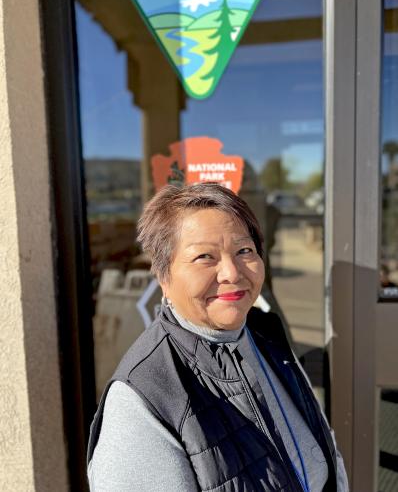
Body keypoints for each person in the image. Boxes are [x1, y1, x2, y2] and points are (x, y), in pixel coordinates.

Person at [87, 183, 349, 492]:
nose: (232, 273)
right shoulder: (144, 396)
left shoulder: (265, 333)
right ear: (164, 278)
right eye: (204, 257)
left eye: (244, 251)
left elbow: (323, 442)